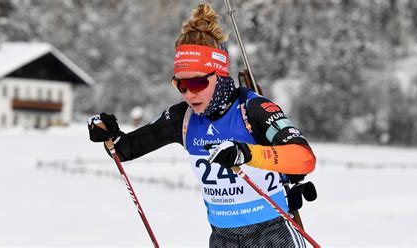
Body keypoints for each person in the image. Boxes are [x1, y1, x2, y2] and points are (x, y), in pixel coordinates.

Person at [88, 3, 316, 247]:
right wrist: (108, 132)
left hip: (273, 232)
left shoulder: (252, 109)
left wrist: (246, 153)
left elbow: (304, 158)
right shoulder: (183, 118)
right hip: (222, 237)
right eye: (181, 85)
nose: (189, 94)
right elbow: (125, 150)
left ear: (220, 76)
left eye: (197, 84)